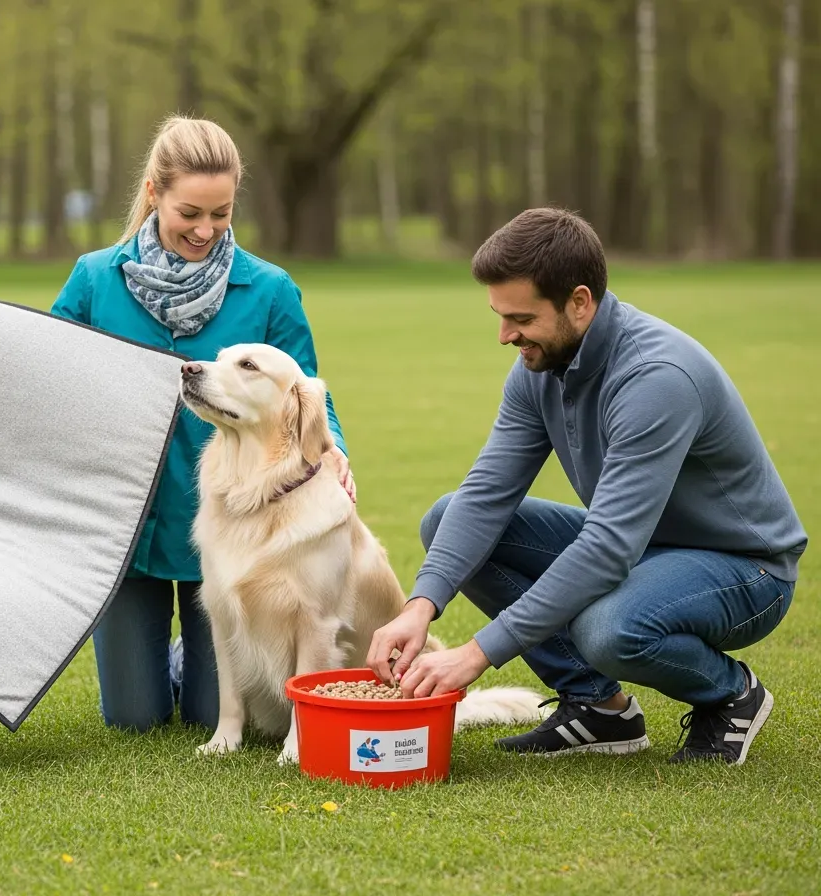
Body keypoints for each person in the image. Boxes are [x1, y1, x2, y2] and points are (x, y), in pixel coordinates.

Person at [366, 207, 807, 765]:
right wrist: (420, 604)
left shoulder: (656, 379)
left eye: (520, 318)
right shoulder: (540, 363)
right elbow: (487, 493)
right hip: (643, 547)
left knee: (610, 628)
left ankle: (732, 695)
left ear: (579, 302)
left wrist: (478, 653)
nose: (505, 336)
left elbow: (607, 549)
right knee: (449, 517)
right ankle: (598, 707)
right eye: (499, 316)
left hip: (745, 566)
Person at [51, 115, 353, 732]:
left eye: (221, 213)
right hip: (124, 524)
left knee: (208, 716)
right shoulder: (94, 278)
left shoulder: (269, 290)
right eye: (191, 212)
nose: (206, 230)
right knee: (134, 720)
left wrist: (335, 452)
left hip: (226, 527)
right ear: (154, 193)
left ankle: (198, 651)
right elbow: (39, 363)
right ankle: (163, 656)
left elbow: (308, 389)